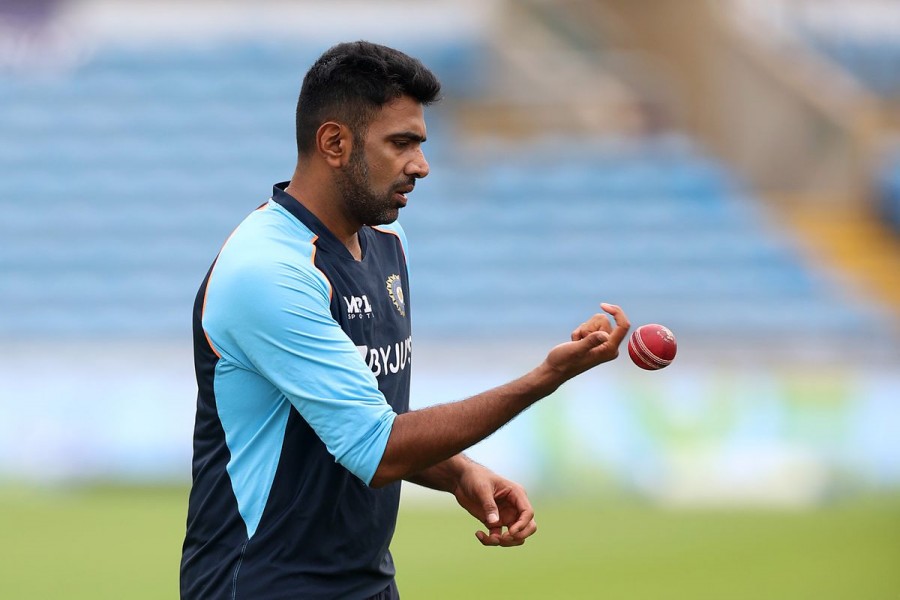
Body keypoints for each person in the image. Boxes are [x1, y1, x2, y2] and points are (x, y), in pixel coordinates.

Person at [180, 40, 630, 600]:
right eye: (401, 143)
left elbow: (360, 416)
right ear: (335, 143)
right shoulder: (269, 270)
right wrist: (546, 377)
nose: (421, 164)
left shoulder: (388, 242)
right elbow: (379, 446)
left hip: (364, 583)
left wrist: (459, 470)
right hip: (261, 583)